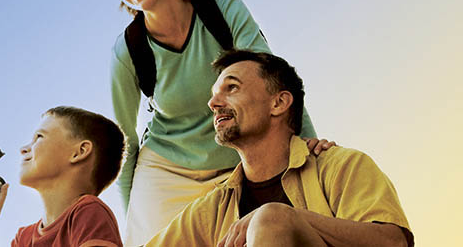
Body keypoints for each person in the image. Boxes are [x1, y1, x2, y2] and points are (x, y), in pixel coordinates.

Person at [96, 0, 334, 245]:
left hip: (238, 161)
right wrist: (132, 219)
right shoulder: (127, 51)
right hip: (166, 172)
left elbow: (274, 83)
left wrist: (309, 149)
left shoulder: (223, 11)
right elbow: (124, 143)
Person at [147, 50, 413, 246]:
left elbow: (393, 242)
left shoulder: (342, 166)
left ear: (278, 103)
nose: (213, 103)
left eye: (232, 88)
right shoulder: (214, 207)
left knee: (271, 219)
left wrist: (286, 219)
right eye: (214, 93)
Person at [0, 106, 127, 247]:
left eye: (39, 137)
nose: (23, 149)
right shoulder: (24, 239)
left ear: (79, 152)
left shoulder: (88, 212)